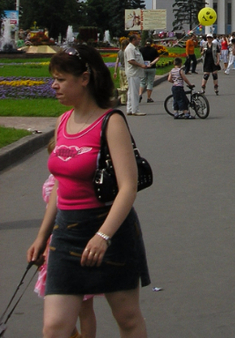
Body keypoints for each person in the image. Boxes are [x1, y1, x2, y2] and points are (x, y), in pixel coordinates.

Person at [27, 45, 149, 338]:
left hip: (110, 231)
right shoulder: (63, 121)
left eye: (61, 79)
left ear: (84, 78)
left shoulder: (111, 122)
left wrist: (103, 236)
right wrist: (42, 236)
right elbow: (60, 185)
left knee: (128, 319)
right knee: (55, 326)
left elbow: (128, 187)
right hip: (66, 233)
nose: (54, 86)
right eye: (53, 79)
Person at [35, 140, 98, 338]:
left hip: (75, 239)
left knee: (84, 306)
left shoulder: (76, 181)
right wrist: (43, 240)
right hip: (55, 241)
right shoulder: (52, 180)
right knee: (56, 305)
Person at [124, 34, 147, 116]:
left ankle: (130, 109)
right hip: (133, 73)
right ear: (133, 39)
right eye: (138, 39)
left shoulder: (134, 48)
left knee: (131, 92)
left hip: (135, 72)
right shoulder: (130, 49)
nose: (139, 40)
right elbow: (131, 60)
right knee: (134, 92)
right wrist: (141, 65)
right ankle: (135, 110)